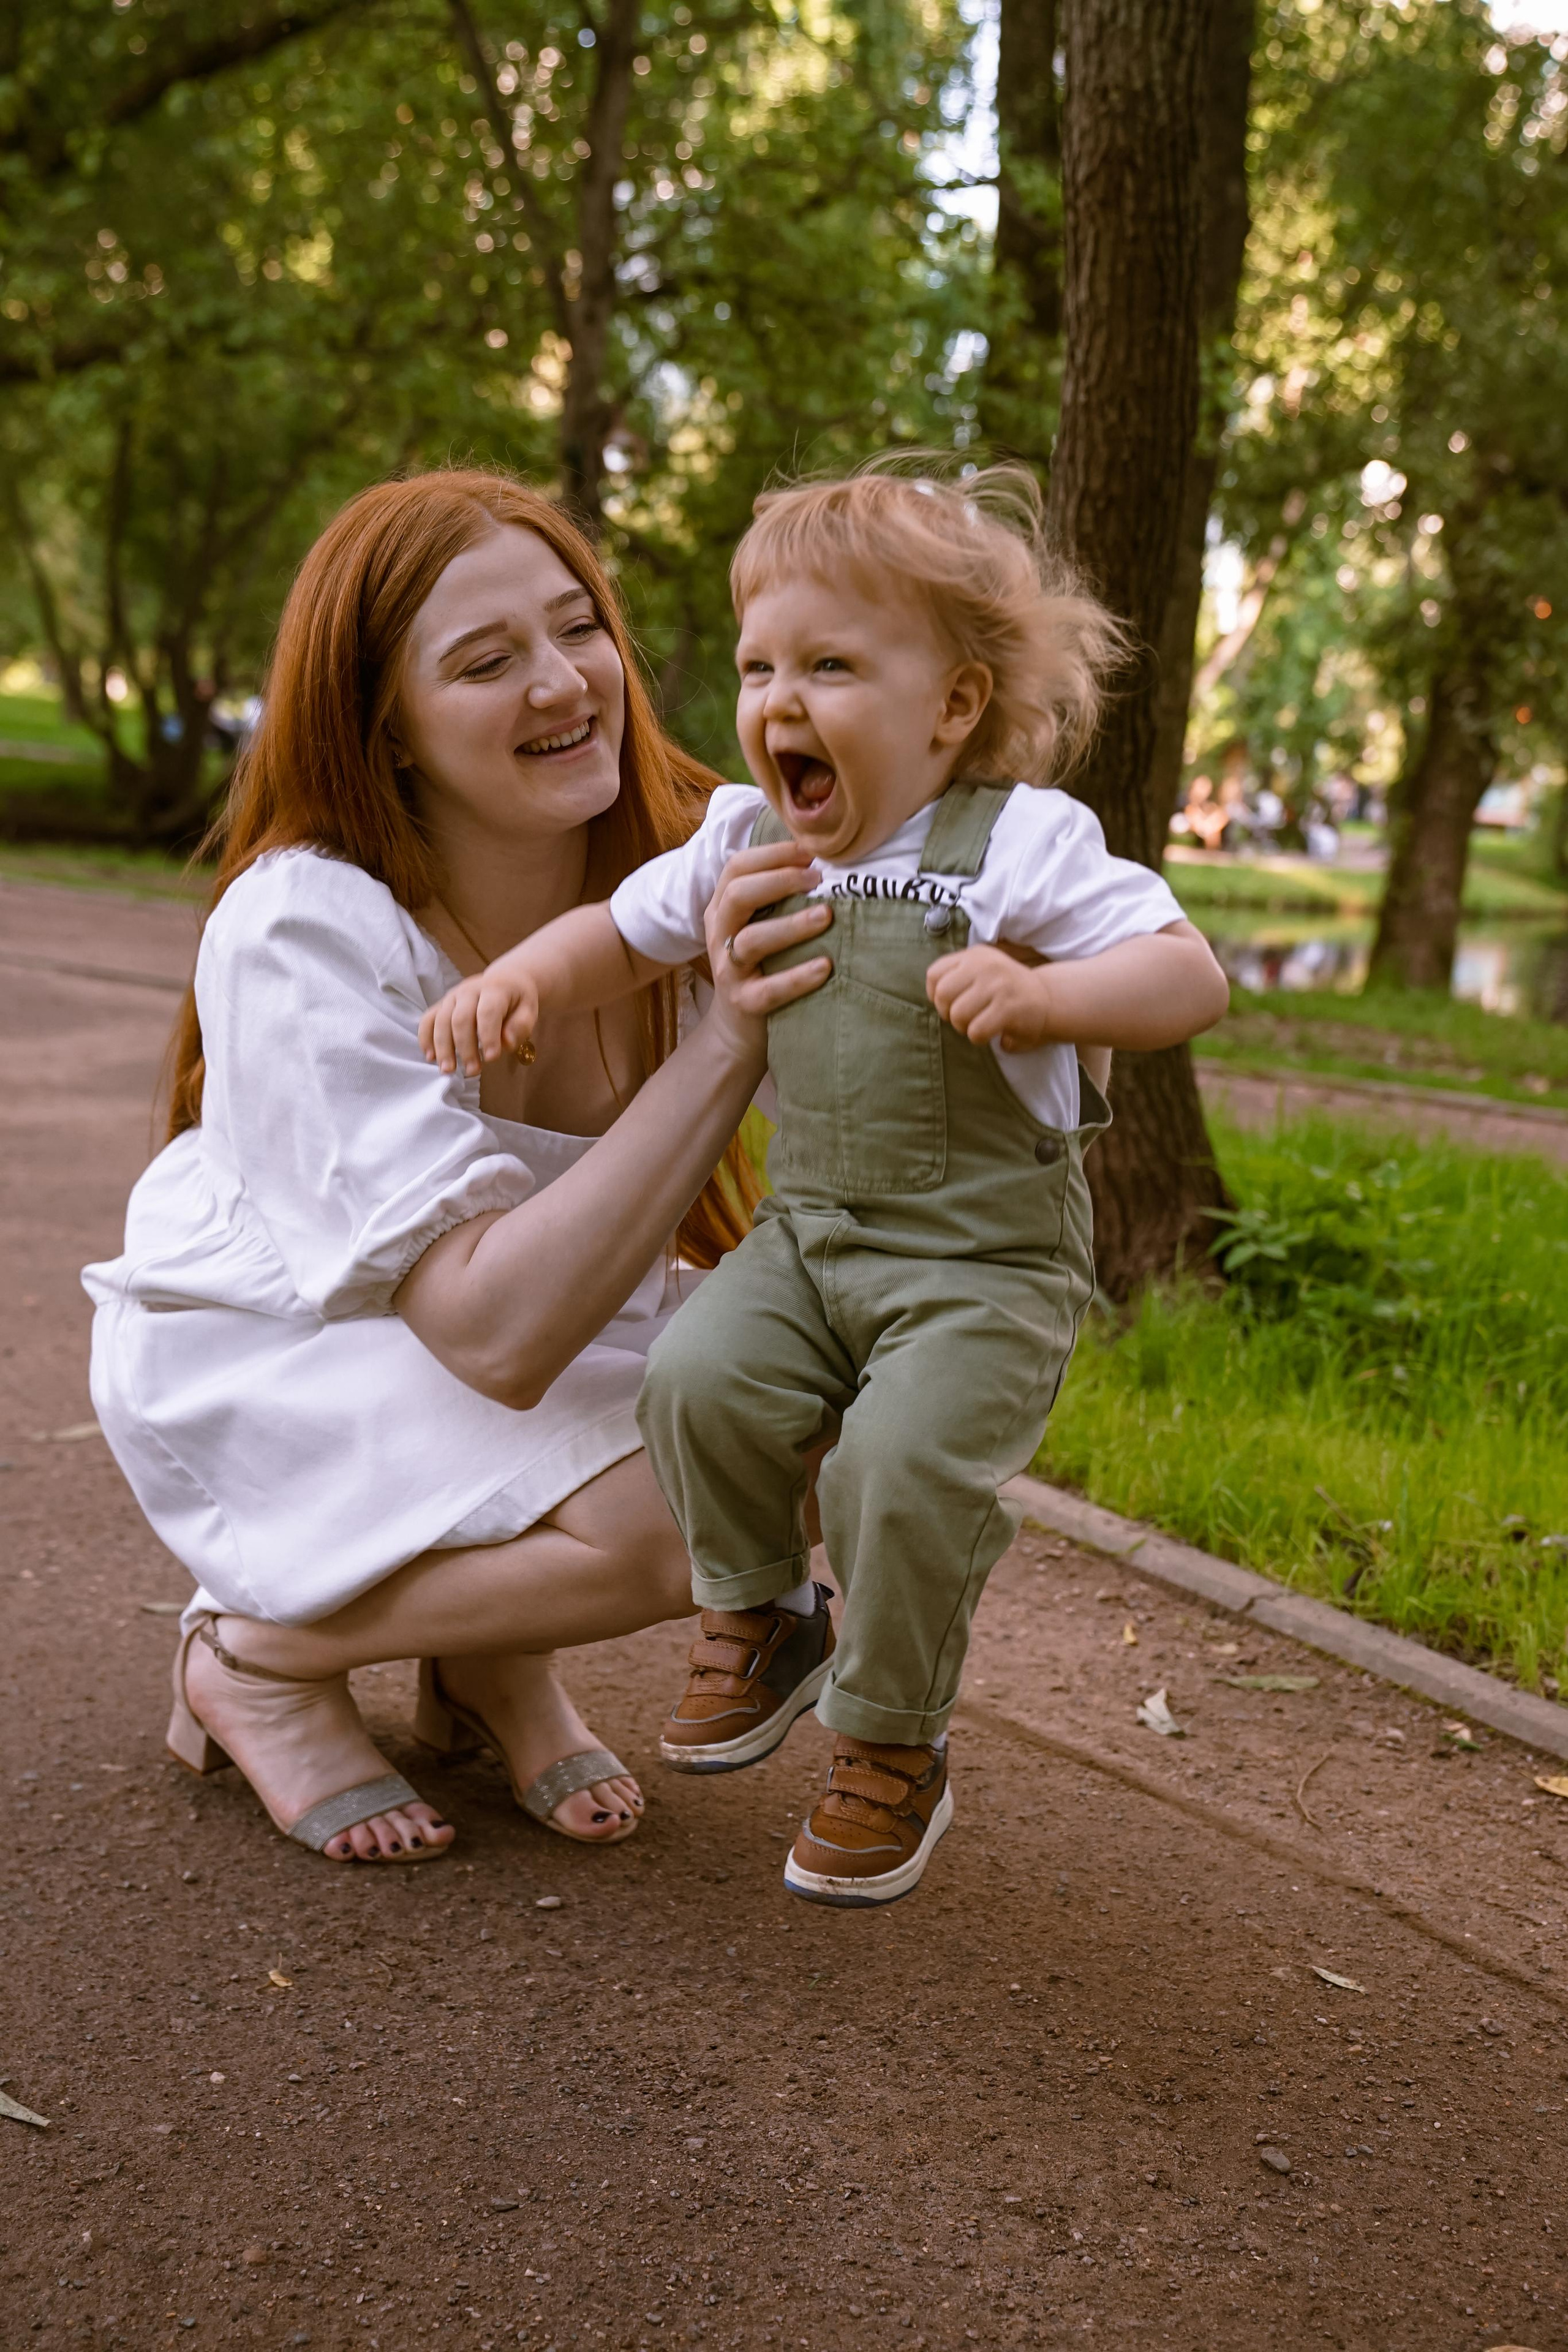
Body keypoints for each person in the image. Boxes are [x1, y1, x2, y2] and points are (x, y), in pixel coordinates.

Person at [421, 459, 1231, 1907]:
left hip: (981, 1264)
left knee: (896, 1470)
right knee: (696, 1379)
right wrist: (517, 983)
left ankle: (889, 1744)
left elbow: (1189, 976)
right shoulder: (749, 834)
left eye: (831, 665)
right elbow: (619, 933)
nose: (779, 699)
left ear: (953, 707)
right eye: (756, 665)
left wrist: (1051, 1001)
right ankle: (763, 1615)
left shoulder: (1021, 844)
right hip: (811, 1236)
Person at [82, 469, 832, 1866]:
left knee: (829, 1442)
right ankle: (258, 1654)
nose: (562, 685)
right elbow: (491, 1334)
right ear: (390, 724)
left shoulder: (692, 853)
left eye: (577, 630)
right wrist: (725, 1037)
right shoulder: (305, 926)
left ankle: (486, 1660)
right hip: (296, 1342)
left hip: (539, 1326)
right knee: (676, 1519)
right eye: (486, 662)